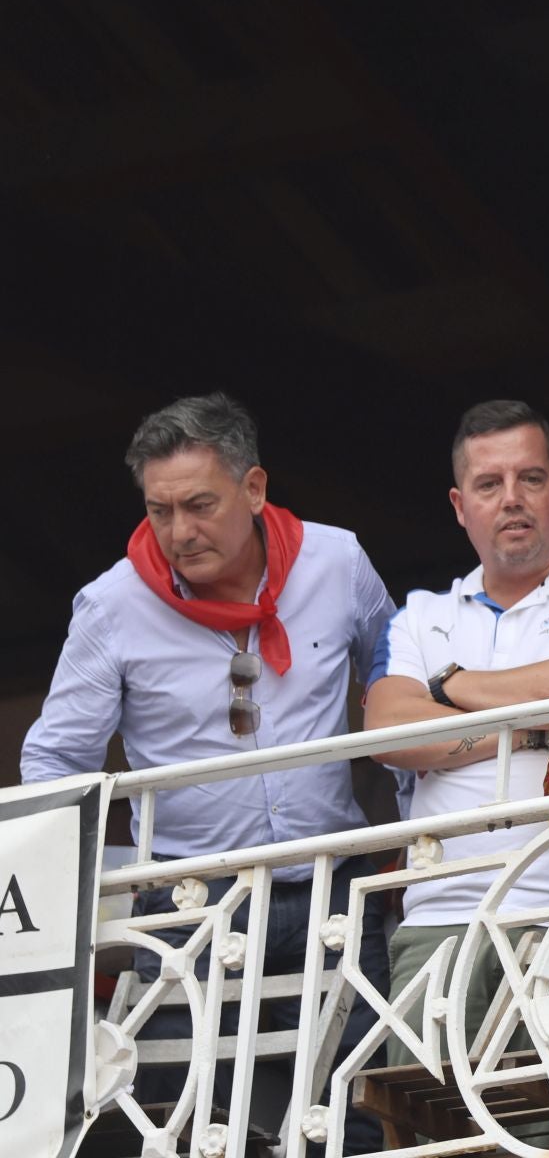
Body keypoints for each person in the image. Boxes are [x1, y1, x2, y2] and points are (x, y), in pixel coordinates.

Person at [19, 393, 395, 1153]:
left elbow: (398, 686)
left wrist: (419, 845)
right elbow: (55, 760)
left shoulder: (336, 560)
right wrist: (75, 892)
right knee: (186, 1121)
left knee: (358, 1108)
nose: (179, 532)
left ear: (254, 489)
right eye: (160, 510)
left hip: (336, 880)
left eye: (199, 505)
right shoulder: (111, 606)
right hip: (197, 898)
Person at [363, 400, 549, 1069]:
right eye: (490, 485)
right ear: (461, 506)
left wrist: (452, 686)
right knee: (435, 1130)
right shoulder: (419, 614)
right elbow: (386, 729)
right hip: (439, 920)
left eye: (531, 479)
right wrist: (535, 727)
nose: (511, 499)